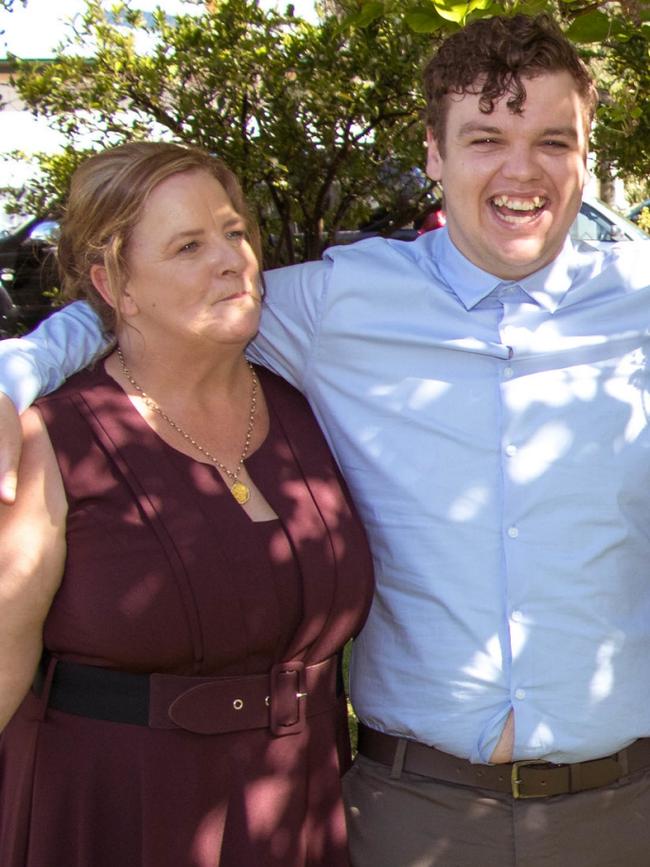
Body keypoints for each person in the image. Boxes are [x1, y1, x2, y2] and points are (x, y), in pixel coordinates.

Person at [0, 12, 649, 867]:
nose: (521, 170)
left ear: (585, 151)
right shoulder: (336, 304)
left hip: (624, 810)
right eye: (486, 138)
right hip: (408, 811)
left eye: (553, 141)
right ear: (433, 154)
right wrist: (19, 371)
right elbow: (157, 301)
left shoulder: (641, 305)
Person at [0, 140, 374, 867]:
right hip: (111, 818)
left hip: (298, 812)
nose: (231, 258)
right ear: (115, 285)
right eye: (188, 246)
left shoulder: (306, 410)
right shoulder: (55, 437)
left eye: (235, 232)